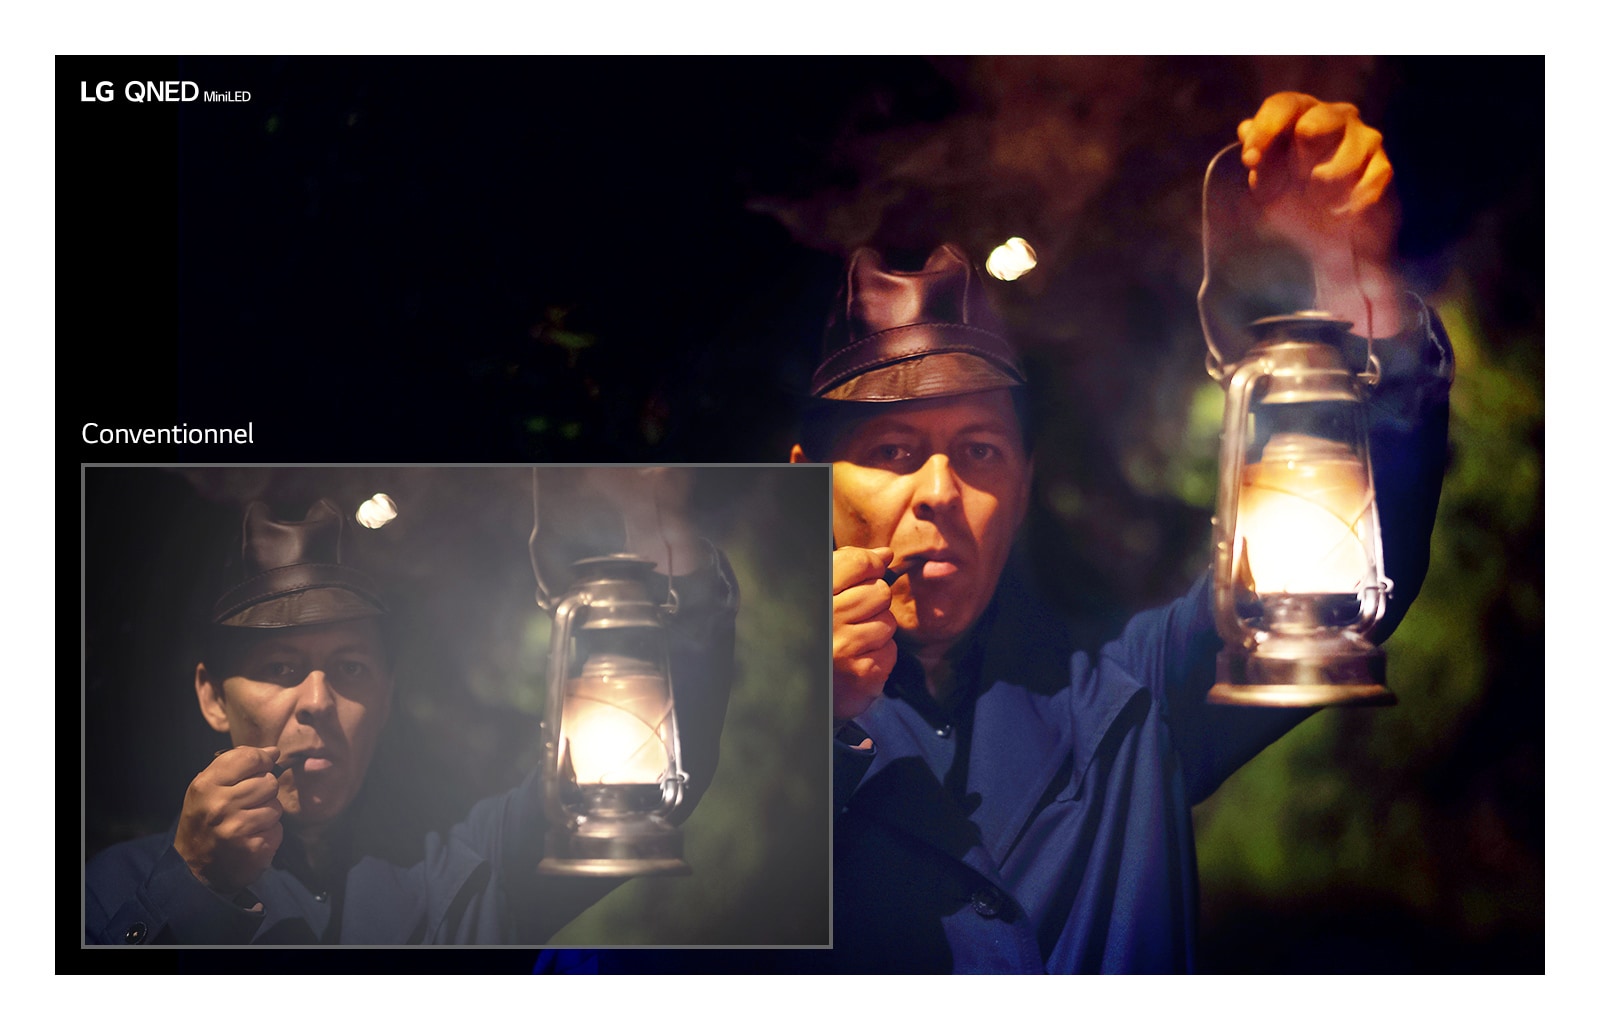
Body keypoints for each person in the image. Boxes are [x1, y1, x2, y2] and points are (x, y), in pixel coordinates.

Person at [782, 91, 1453, 973]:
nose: (940, 491)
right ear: (805, 486)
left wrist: (1353, 280)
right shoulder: (694, 729)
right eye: (894, 450)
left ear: (1021, 487)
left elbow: (1361, 574)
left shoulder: (1134, 696)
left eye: (979, 451)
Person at [84, 471, 739, 945]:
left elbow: (647, 788)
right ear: (211, 696)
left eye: (350, 669)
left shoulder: (463, 870)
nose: (317, 702)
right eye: (280, 669)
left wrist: (665, 540)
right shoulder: (112, 892)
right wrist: (193, 887)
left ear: (389, 693)